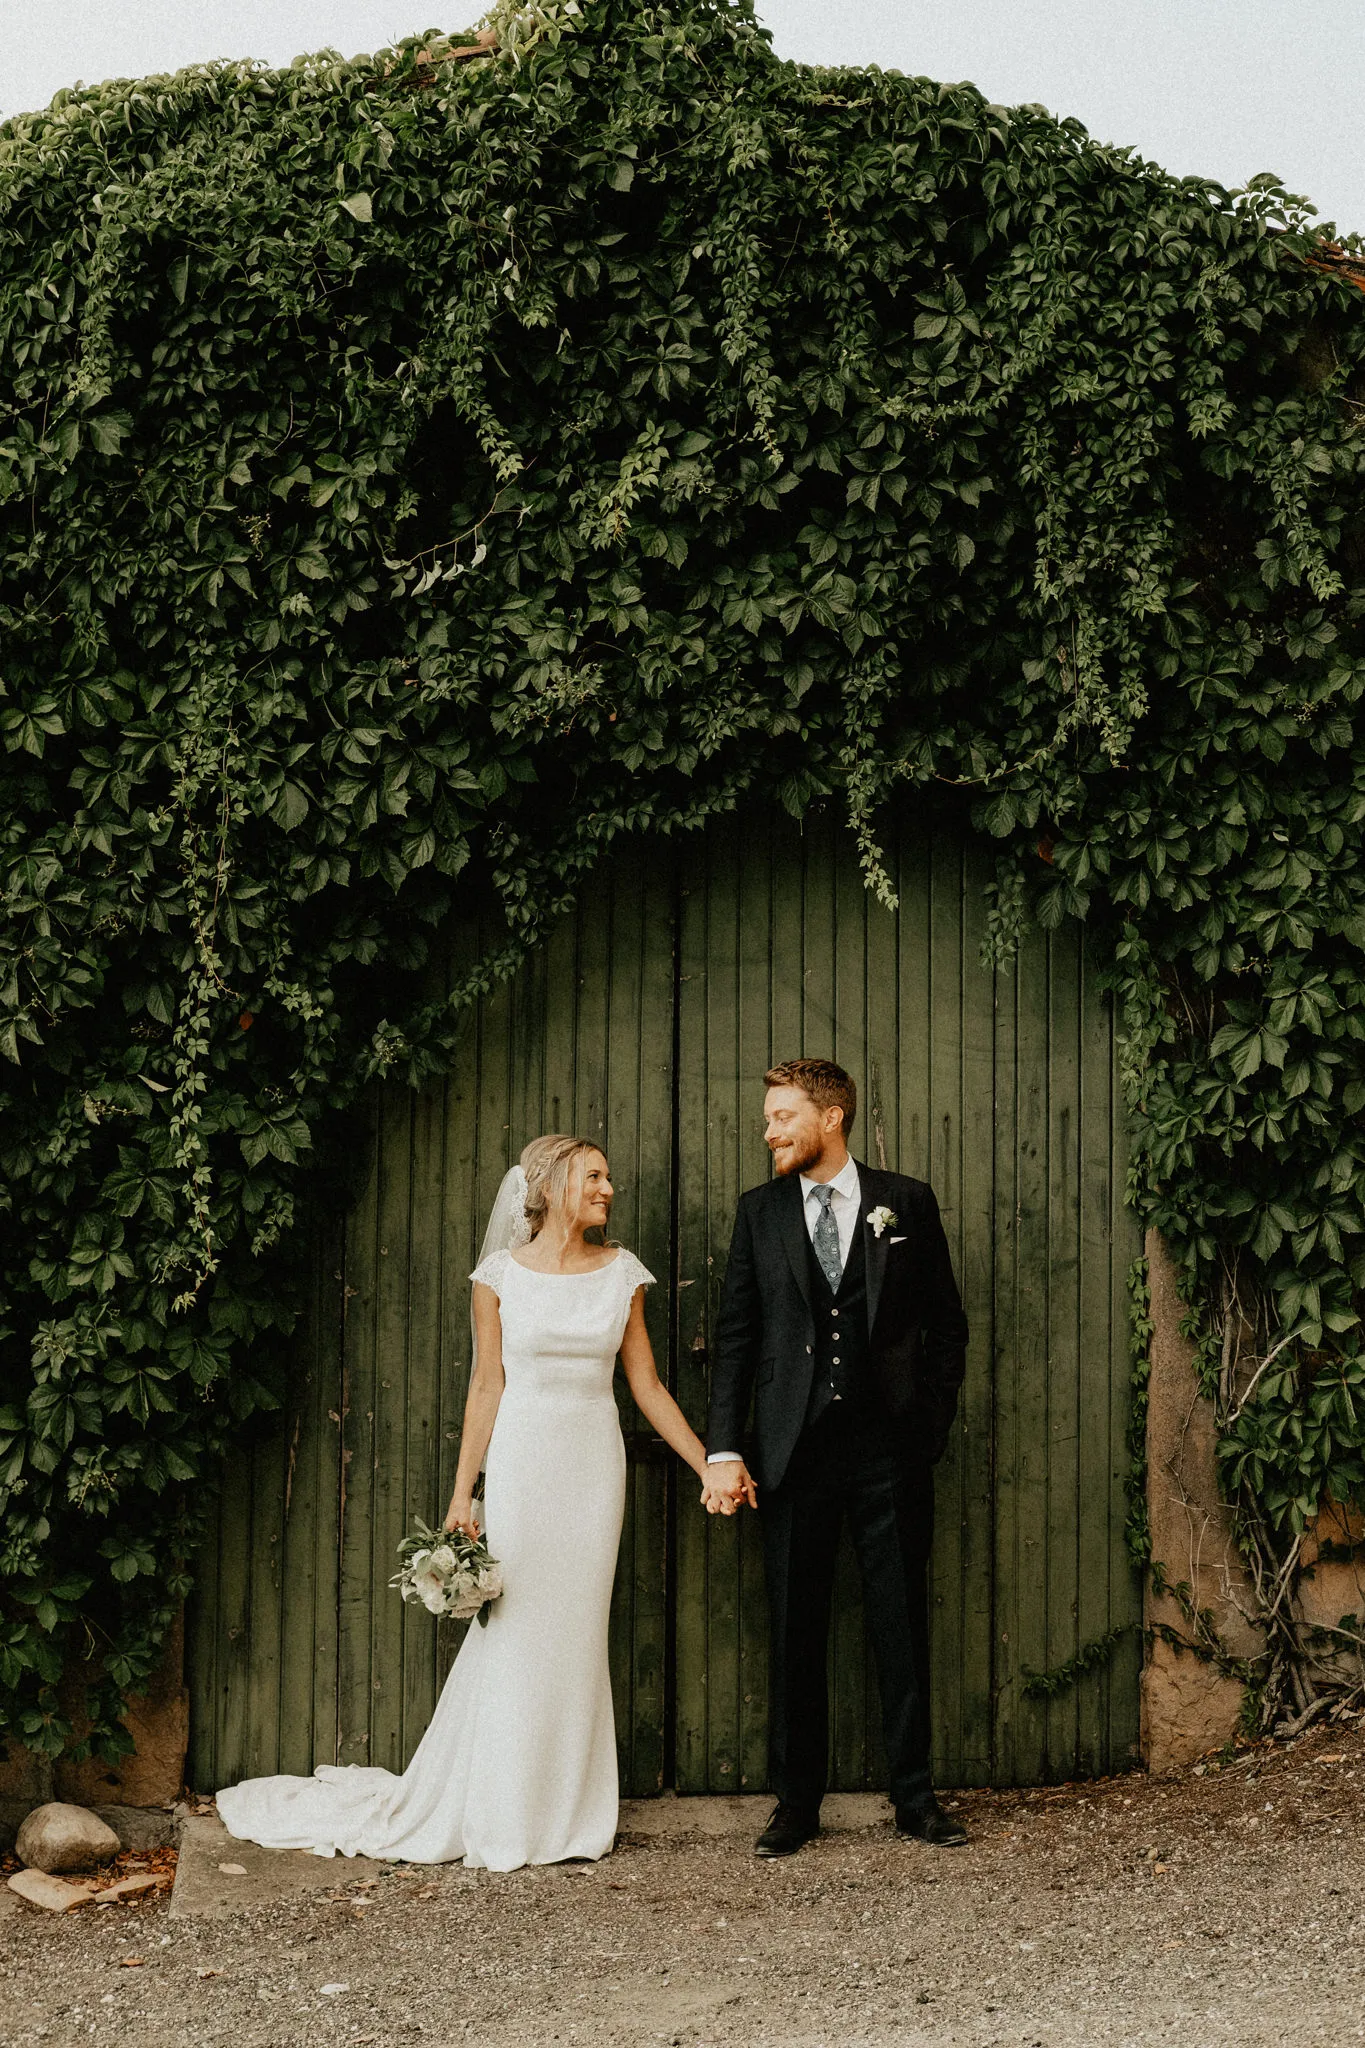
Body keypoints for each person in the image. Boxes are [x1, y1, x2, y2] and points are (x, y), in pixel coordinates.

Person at [218, 1133, 722, 1871]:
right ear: (549, 1187)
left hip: (591, 1466)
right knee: (516, 1630)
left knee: (577, 1632)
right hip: (523, 1464)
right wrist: (464, 1493)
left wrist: (707, 1464)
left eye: (608, 1177)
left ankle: (569, 1814)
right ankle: (502, 1811)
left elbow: (645, 1386)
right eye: (594, 1176)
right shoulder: (498, 1277)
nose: (608, 1189)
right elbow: (487, 1384)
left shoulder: (623, 1274)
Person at [705, 1059, 970, 1857]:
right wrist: (724, 1444)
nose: (769, 1131)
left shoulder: (906, 1202)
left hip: (889, 1451)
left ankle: (916, 1800)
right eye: (768, 1117)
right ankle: (795, 1807)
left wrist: (926, 1428)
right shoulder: (759, 1213)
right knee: (794, 1630)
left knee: (899, 1627)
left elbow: (945, 1328)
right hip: (791, 1454)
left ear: (831, 1118)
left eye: (782, 1116)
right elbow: (736, 1338)